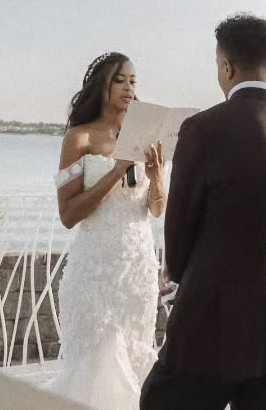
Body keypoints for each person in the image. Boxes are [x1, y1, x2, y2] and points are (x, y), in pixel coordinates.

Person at [141, 14, 266, 410]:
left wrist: (180, 272)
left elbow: (179, 234)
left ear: (227, 66)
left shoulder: (202, 129)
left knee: (157, 401)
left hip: (213, 318)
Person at [45, 52, 167, 410]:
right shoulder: (79, 139)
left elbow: (157, 209)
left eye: (133, 81)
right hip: (95, 276)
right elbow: (68, 215)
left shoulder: (148, 136)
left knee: (135, 365)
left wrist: (158, 178)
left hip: (137, 274)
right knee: (91, 373)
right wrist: (116, 171)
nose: (129, 87)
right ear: (102, 87)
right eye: (120, 80)